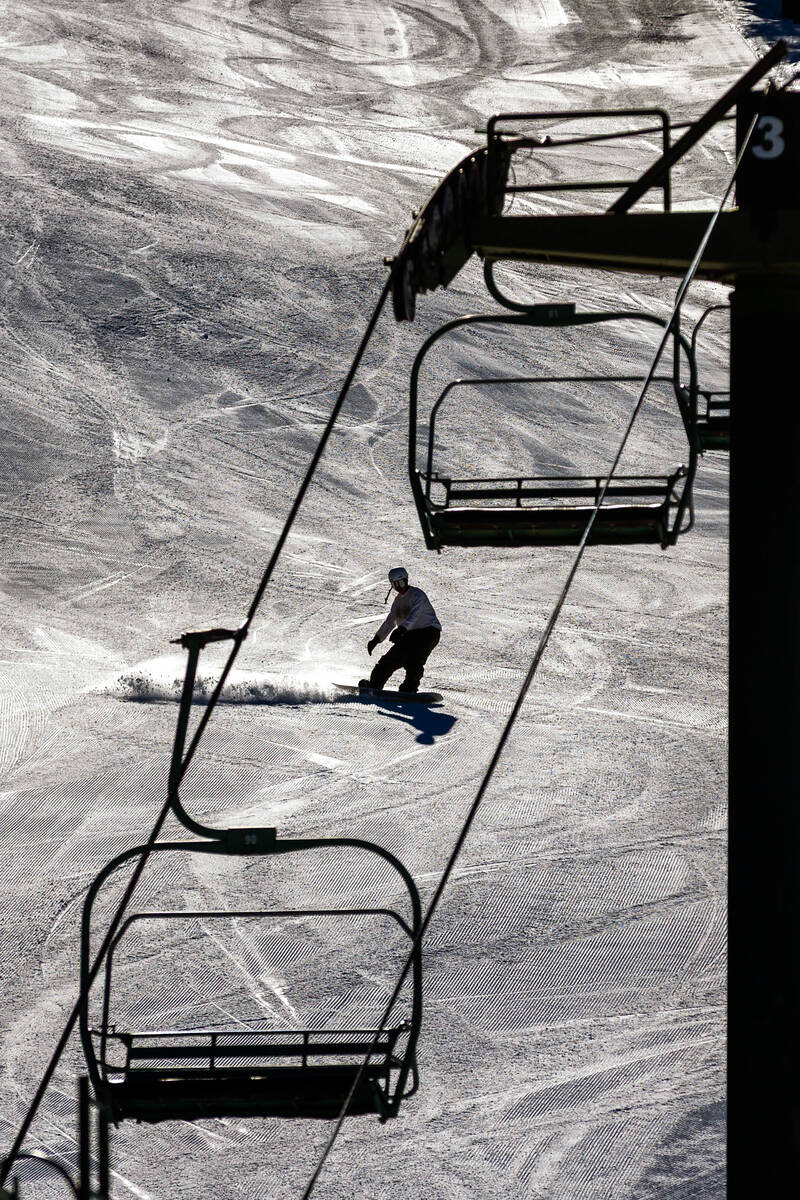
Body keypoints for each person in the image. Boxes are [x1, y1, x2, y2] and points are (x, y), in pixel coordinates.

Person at [360, 567, 442, 694]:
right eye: (395, 585)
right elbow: (390, 621)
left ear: (406, 580)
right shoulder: (398, 601)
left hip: (428, 632)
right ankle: (374, 685)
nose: (399, 587)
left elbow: (415, 615)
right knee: (388, 660)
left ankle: (409, 688)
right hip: (408, 634)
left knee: (414, 660)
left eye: (401, 583)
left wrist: (402, 629)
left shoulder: (417, 595)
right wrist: (376, 639)